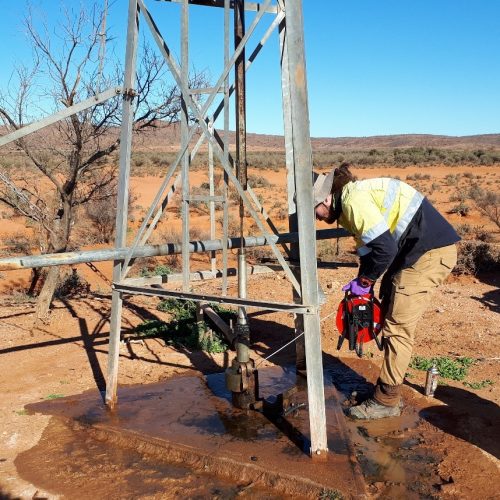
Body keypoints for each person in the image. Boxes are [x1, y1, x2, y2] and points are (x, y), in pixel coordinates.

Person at [314, 163, 460, 419]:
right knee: (388, 302)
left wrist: (366, 281)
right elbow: (370, 253)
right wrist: (363, 281)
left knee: (397, 327)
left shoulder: (352, 202)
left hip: (428, 253)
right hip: (411, 253)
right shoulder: (349, 205)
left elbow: (385, 250)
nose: (316, 217)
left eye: (315, 210)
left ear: (327, 198)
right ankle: (385, 389)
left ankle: (387, 400)